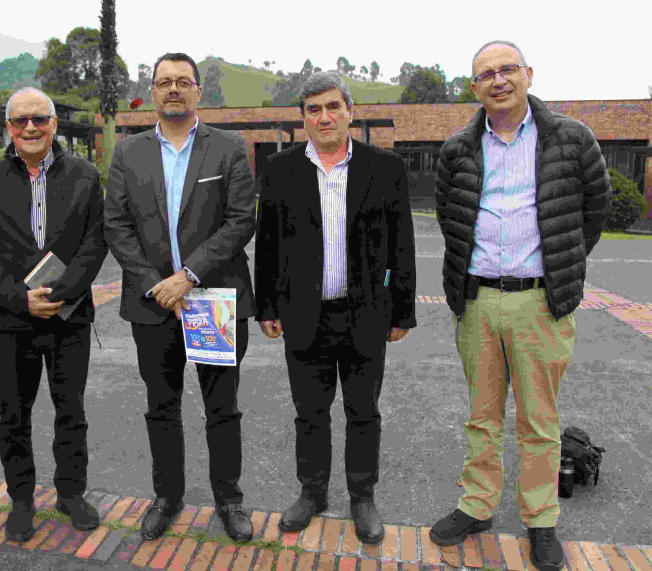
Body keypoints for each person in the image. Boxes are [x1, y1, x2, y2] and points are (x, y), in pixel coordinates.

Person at [431, 40, 611, 570]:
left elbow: (592, 212)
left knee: (539, 419)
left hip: (540, 302)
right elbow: (450, 216)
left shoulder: (572, 139)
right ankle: (477, 504)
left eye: (508, 69)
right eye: (487, 73)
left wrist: (560, 264)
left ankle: (541, 520)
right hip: (478, 299)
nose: (499, 80)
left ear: (528, 74)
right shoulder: (458, 148)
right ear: (474, 87)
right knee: (481, 416)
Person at [254, 71, 417, 545]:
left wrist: (402, 310)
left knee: (363, 412)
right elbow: (267, 245)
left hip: (365, 312)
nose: (324, 117)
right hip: (305, 315)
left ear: (350, 111)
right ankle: (312, 492)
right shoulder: (281, 170)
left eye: (332, 107)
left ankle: (362, 497)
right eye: (313, 109)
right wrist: (267, 306)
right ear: (302, 117)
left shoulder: (385, 168)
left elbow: (401, 243)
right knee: (310, 413)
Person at [104, 52, 257, 542]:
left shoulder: (229, 147)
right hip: (153, 305)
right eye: (164, 82)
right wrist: (156, 282)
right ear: (152, 91)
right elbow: (117, 225)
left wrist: (188, 276)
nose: (173, 89)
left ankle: (229, 499)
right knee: (161, 406)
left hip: (212, 299)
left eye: (182, 82)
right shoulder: (128, 153)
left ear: (198, 91)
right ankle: (167, 497)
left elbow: (241, 220)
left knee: (223, 407)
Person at [0, 87, 107, 541]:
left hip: (69, 318)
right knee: (14, 413)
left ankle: (71, 493)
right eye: (21, 120)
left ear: (54, 125)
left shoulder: (85, 176)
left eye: (39, 119)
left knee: (72, 410)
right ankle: (21, 499)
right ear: (8, 128)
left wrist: (61, 293)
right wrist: (19, 298)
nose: (31, 128)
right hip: (12, 319)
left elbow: (94, 242)